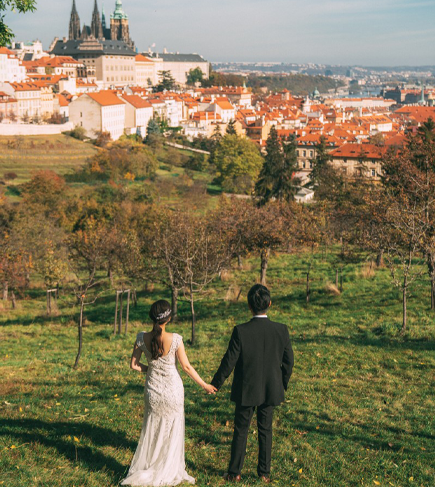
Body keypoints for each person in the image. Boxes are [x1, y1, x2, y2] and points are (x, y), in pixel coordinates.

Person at [121, 299, 215, 486]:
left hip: (153, 391)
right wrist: (204, 385)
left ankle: (150, 464)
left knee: (153, 428)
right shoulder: (176, 339)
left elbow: (133, 365)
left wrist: (150, 370)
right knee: (172, 429)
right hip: (173, 390)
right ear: (168, 318)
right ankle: (168, 467)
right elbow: (186, 367)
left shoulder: (141, 338)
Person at [211, 284, 294, 483]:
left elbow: (229, 360)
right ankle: (264, 474)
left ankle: (235, 472)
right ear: (270, 304)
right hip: (270, 387)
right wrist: (282, 382)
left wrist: (216, 383)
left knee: (241, 429)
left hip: (246, 388)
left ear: (249, 305)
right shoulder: (281, 330)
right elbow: (289, 361)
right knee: (266, 430)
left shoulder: (241, 331)